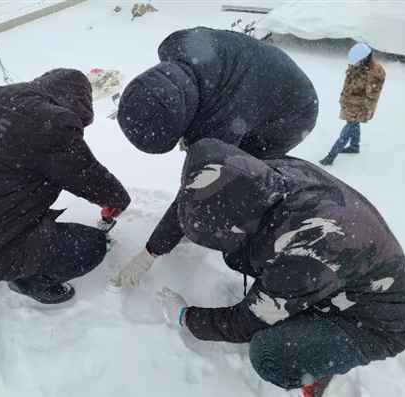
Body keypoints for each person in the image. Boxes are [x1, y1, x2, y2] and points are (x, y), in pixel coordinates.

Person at [153, 139, 405, 395]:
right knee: (252, 259)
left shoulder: (305, 247)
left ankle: (315, 369)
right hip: (347, 278)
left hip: (379, 323)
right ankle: (306, 314)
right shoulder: (262, 176)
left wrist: (186, 317)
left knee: (269, 355)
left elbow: (245, 323)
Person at [114, 26, 318, 287]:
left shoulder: (223, 122)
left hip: (291, 111)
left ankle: (240, 224)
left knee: (237, 174)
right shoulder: (173, 44)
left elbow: (199, 184)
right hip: (256, 76)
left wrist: (152, 251)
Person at [0, 69, 130, 304]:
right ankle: (30, 281)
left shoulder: (2, 98)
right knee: (90, 248)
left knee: (33, 176)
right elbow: (86, 175)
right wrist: (117, 199)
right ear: (75, 102)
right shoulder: (49, 124)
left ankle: (14, 247)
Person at [320, 43, 385, 166]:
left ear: (365, 58)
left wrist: (368, 87)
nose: (353, 64)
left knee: (348, 130)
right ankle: (354, 146)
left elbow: (372, 95)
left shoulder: (375, 73)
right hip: (350, 103)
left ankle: (331, 156)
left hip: (361, 107)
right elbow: (350, 82)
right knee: (353, 125)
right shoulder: (358, 64)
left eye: (356, 62)